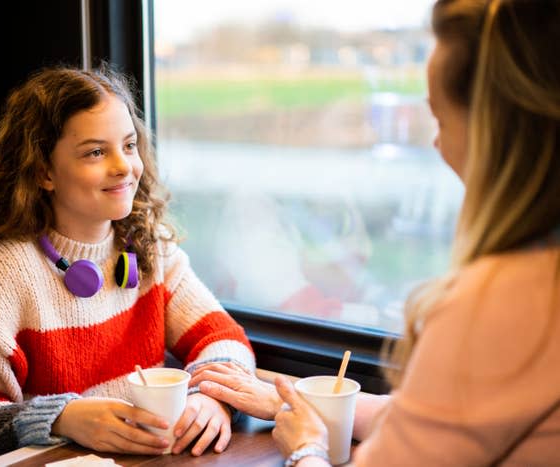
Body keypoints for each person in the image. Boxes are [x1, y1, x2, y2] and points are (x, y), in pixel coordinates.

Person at [189, 0, 560, 465]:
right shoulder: (257, 210)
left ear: (494, 130)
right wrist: (286, 402)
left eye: (442, 120)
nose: (438, 144)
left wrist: (306, 447)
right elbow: (430, 418)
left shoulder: (499, 304)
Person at [0, 64, 256, 466]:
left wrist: (212, 400)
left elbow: (224, 339)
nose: (124, 166)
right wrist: (62, 419)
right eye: (97, 152)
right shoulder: (0, 273)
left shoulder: (147, 245)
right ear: (43, 171)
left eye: (129, 145)